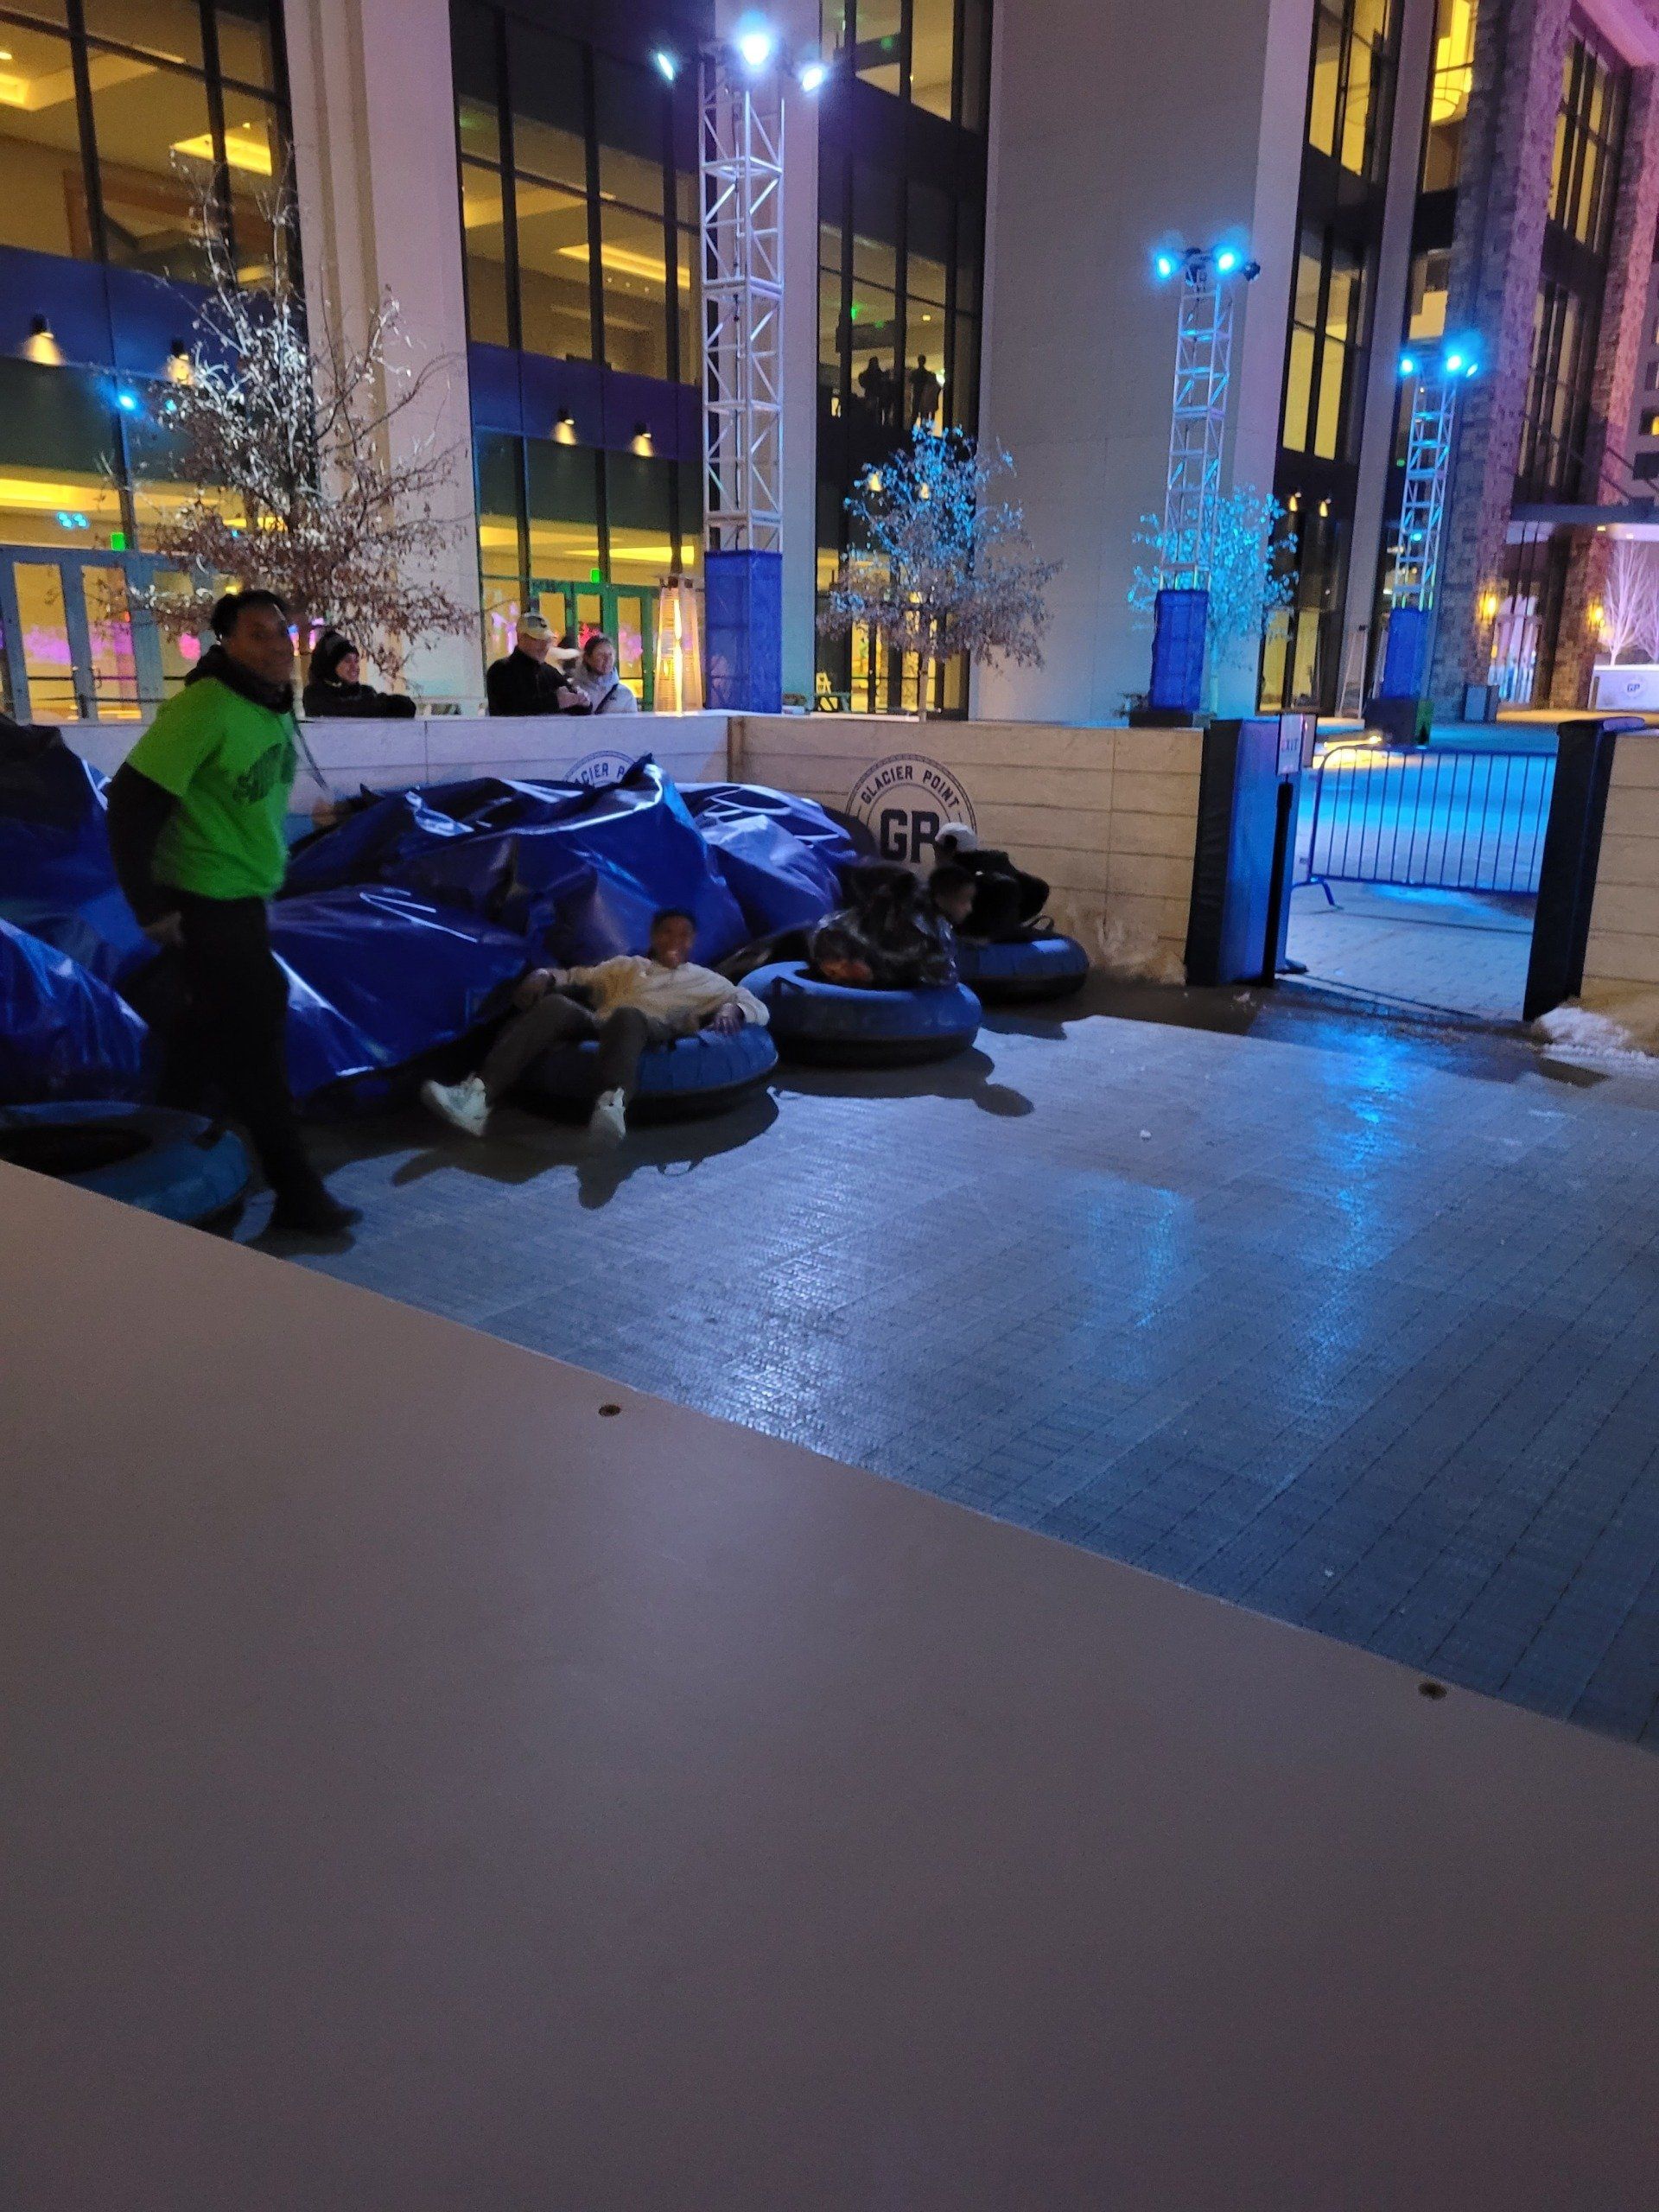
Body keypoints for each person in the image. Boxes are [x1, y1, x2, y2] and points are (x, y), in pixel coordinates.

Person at [105, 588, 359, 1236]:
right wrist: (150, 906)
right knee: (256, 1044)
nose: (276, 646)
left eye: (281, 632)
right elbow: (129, 803)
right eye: (257, 634)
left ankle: (155, 1176)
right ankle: (298, 1194)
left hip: (243, 898)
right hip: (205, 901)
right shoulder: (205, 707)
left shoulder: (269, 706)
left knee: (197, 1043)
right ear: (226, 643)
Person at [421, 907, 767, 1147]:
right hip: (600, 1023)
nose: (675, 940)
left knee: (628, 1015)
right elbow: (576, 976)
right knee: (557, 1005)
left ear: (693, 940)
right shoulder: (626, 966)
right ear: (654, 935)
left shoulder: (707, 980)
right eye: (667, 932)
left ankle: (611, 1104)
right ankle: (478, 1096)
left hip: (650, 1028)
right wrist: (544, 975)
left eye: (684, 934)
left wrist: (733, 1009)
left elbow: (754, 1004)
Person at [932, 822, 1050, 942]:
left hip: (982, 941)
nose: (936, 854)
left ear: (950, 849)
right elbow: (1039, 889)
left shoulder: (962, 875)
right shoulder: (995, 864)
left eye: (937, 848)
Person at [485, 610, 585, 716]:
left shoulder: (549, 672)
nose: (544, 646)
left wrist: (582, 701)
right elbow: (511, 708)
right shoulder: (501, 670)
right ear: (520, 637)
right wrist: (556, 701)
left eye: (547, 640)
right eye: (537, 639)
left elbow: (577, 707)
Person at [302, 629, 417, 720]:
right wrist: (379, 705)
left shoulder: (366, 692)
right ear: (330, 666)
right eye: (347, 661)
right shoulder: (314, 695)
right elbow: (341, 711)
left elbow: (406, 707)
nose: (354, 667)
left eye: (356, 661)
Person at [563, 632, 639, 715]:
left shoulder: (624, 694)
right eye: (600, 654)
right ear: (587, 658)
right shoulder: (572, 691)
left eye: (610, 654)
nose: (607, 659)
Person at [909, 353, 942, 428]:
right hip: (923, 397)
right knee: (923, 416)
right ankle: (922, 430)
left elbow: (910, 380)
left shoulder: (916, 373)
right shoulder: (926, 374)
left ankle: (913, 430)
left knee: (916, 415)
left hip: (919, 396)